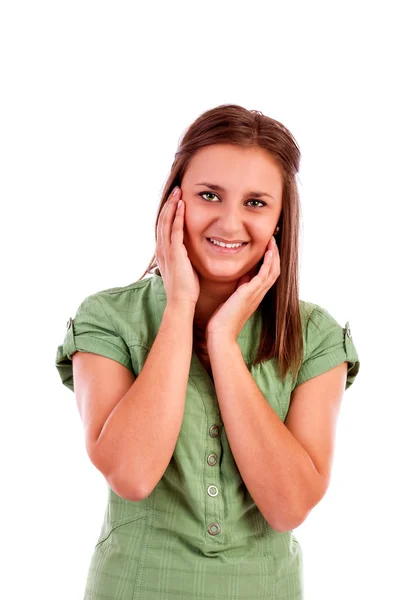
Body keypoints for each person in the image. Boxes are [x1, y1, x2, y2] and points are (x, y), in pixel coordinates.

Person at [55, 103, 360, 600]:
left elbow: (288, 506)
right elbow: (131, 474)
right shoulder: (106, 319)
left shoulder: (315, 336)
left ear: (282, 220)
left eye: (256, 203)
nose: (229, 221)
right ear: (174, 202)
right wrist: (180, 307)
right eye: (209, 195)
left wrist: (222, 343)